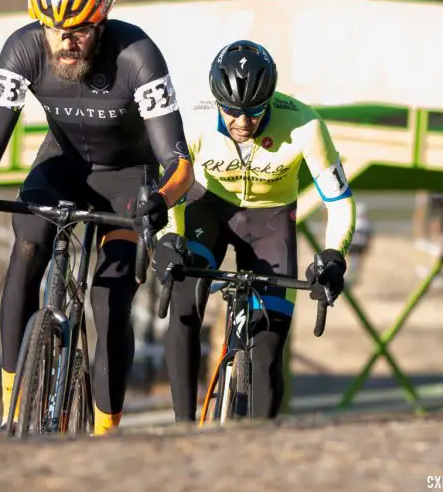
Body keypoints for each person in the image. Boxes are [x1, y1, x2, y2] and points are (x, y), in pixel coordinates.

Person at [0, 0, 194, 437]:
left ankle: (105, 433)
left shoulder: (138, 55)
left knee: (109, 300)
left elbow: (179, 164)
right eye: (54, 31)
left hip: (128, 177)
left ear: (101, 23)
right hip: (63, 163)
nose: (66, 42)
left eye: (79, 31)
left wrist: (160, 200)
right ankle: (12, 416)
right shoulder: (22, 49)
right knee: (27, 248)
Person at [151, 40, 356, 422]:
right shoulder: (192, 121)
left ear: (271, 99)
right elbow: (172, 187)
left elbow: (340, 201)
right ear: (216, 101)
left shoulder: (305, 126)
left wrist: (333, 256)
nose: (242, 122)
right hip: (206, 210)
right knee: (184, 306)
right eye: (231, 112)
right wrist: (168, 238)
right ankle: (183, 427)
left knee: (268, 349)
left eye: (254, 111)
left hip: (270, 221)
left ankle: (261, 451)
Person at [347, 201, 374, 287]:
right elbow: (369, 237)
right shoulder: (367, 223)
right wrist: (369, 247)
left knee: (352, 260)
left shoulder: (352, 221)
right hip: (361, 245)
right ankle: (354, 276)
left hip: (352, 244)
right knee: (358, 261)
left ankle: (351, 276)